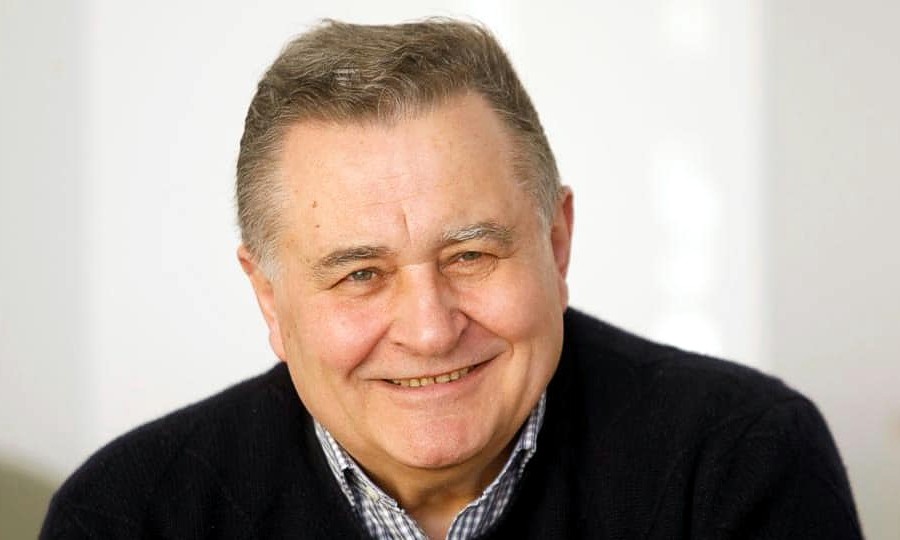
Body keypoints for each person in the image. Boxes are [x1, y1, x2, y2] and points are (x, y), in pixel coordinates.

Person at [41, 19, 861, 539]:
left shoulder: (742, 462)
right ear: (270, 300)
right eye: (360, 274)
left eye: (471, 256)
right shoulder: (128, 515)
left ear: (557, 244)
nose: (430, 330)